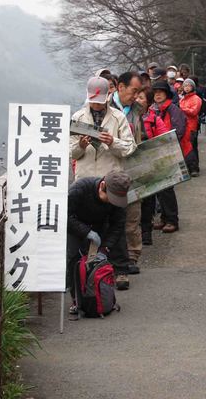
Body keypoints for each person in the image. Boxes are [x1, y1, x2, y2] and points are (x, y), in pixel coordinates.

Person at [70, 75, 137, 290]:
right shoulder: (78, 117)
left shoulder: (117, 118)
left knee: (115, 223)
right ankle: (83, 271)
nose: (96, 104)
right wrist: (80, 145)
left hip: (110, 179)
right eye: (93, 100)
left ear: (108, 95)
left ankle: (120, 270)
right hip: (86, 180)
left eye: (100, 100)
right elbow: (70, 151)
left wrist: (113, 142)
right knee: (83, 225)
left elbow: (130, 147)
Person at [67, 170, 130, 314]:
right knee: (74, 260)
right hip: (75, 225)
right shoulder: (80, 188)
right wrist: (86, 232)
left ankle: (99, 297)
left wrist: (105, 248)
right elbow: (65, 215)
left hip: (100, 226)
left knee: (98, 263)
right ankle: (76, 299)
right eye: (110, 197)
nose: (112, 202)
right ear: (102, 185)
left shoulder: (118, 199)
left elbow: (118, 225)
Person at [110, 71, 144, 274]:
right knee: (112, 217)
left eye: (139, 91)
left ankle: (132, 256)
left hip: (133, 167)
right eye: (134, 90)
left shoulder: (138, 110)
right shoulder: (105, 108)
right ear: (120, 87)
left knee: (133, 216)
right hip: (112, 167)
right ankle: (111, 258)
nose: (136, 95)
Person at [150, 80, 187, 233]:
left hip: (169, 151)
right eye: (155, 92)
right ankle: (165, 218)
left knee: (167, 188)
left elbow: (179, 131)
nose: (158, 94)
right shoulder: (153, 110)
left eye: (161, 91)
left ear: (167, 94)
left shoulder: (173, 109)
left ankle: (172, 220)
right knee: (160, 187)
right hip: (156, 153)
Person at [136, 86, 170, 245]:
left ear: (148, 102)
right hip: (131, 166)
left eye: (141, 98)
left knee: (148, 201)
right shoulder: (126, 117)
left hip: (149, 165)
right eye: (136, 97)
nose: (137, 100)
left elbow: (164, 141)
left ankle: (146, 232)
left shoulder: (155, 119)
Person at [179, 78, 202, 176]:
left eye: (189, 85)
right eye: (185, 85)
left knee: (192, 147)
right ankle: (189, 167)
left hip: (192, 127)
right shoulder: (182, 99)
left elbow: (194, 112)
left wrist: (182, 109)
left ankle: (194, 168)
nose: (187, 87)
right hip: (183, 126)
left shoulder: (196, 99)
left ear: (193, 87)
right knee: (185, 147)